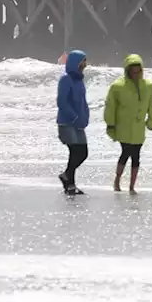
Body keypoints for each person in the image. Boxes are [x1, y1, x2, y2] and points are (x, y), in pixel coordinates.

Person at [105, 54, 152, 195]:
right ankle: (117, 180)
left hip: (139, 128)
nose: (137, 74)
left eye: (139, 71)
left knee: (136, 156)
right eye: (134, 71)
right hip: (124, 128)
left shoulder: (148, 86)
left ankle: (132, 186)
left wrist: (151, 121)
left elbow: (151, 106)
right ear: (128, 71)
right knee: (125, 153)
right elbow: (111, 106)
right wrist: (110, 124)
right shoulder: (118, 86)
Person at [56, 49, 90, 195]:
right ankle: (69, 182)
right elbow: (62, 101)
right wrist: (73, 116)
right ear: (75, 62)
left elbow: (82, 102)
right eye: (83, 61)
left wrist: (85, 116)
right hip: (67, 122)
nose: (85, 64)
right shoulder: (65, 79)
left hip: (78, 123)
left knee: (83, 152)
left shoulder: (80, 80)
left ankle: (68, 180)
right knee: (76, 152)